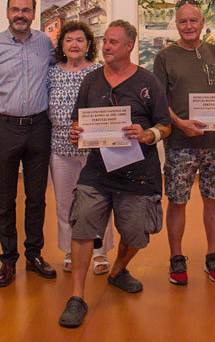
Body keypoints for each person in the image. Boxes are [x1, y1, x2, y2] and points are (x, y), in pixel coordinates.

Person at [58, 20, 172, 328]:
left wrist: (148, 134)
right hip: (97, 172)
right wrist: (75, 133)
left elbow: (165, 125)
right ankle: (77, 296)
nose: (106, 47)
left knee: (136, 232)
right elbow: (77, 123)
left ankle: (118, 270)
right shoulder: (92, 81)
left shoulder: (148, 82)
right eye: (105, 41)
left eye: (113, 43)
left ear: (129, 46)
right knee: (81, 224)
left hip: (139, 174)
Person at [154, 0, 215, 285]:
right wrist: (180, 123)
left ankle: (212, 255)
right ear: (177, 25)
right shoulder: (165, 57)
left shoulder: (214, 53)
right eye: (183, 21)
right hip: (180, 143)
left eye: (193, 21)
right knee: (178, 200)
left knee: (213, 199)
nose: (189, 26)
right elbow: (159, 103)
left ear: (203, 23)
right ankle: (177, 257)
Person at [0, 0, 57, 286]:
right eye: (14, 10)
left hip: (39, 127)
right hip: (5, 128)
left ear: (34, 14)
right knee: (5, 198)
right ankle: (8, 260)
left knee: (36, 198)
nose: (20, 14)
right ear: (7, 12)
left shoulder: (45, 43)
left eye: (25, 10)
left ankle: (34, 255)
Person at [47, 20, 113, 274]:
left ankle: (99, 251)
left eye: (80, 40)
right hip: (60, 148)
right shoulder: (52, 72)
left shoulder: (99, 71)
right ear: (62, 45)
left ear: (88, 45)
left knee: (97, 201)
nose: (74, 45)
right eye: (69, 40)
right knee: (64, 204)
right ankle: (69, 250)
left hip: (93, 149)